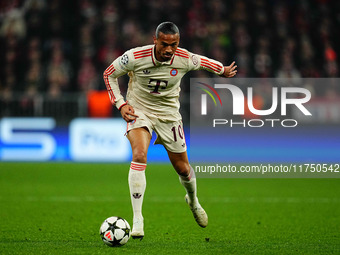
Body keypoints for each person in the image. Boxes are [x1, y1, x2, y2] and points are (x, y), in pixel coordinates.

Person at [103, 21, 237, 239]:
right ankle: (138, 218)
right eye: (164, 44)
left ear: (178, 43)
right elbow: (109, 73)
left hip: (169, 117)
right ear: (155, 40)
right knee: (139, 154)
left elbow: (203, 62)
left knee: (183, 168)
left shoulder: (183, 58)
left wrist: (222, 70)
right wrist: (121, 104)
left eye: (173, 45)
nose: (168, 50)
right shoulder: (135, 57)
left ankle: (193, 201)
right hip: (140, 111)